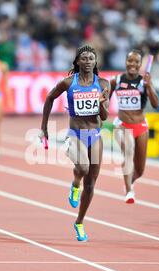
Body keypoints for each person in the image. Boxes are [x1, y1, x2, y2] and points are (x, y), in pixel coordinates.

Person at [40, 45, 110, 242]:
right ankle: (74, 183)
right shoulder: (69, 82)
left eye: (91, 58)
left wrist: (102, 103)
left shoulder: (103, 84)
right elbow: (49, 97)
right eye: (84, 58)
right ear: (77, 62)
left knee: (91, 184)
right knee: (83, 167)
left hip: (95, 134)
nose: (87, 61)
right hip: (76, 134)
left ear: (95, 62)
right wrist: (44, 127)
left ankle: (79, 222)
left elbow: (103, 117)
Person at [110, 50, 159, 203]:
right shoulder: (116, 80)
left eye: (136, 62)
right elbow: (105, 100)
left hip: (141, 126)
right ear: (125, 62)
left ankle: (128, 181)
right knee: (129, 150)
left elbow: (156, 104)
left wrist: (149, 86)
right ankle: (129, 191)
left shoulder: (144, 82)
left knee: (140, 170)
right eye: (130, 61)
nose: (132, 64)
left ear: (140, 65)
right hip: (122, 124)